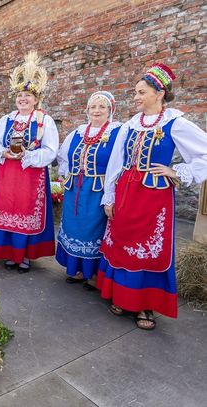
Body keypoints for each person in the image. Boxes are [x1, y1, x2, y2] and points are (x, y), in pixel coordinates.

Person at [98, 63, 207, 330]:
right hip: (125, 192)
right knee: (122, 243)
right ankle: (122, 296)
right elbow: (116, 161)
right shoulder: (130, 125)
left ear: (159, 93)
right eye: (135, 92)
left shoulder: (175, 123)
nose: (135, 97)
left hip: (153, 197)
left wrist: (177, 170)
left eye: (141, 92)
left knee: (148, 248)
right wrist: (109, 197)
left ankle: (145, 304)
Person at [0, 51, 59, 273]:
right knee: (7, 212)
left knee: (27, 213)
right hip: (8, 175)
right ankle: (10, 253)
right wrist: (4, 153)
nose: (23, 99)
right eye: (20, 95)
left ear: (36, 99)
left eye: (28, 96)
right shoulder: (6, 119)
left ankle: (25, 255)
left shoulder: (44, 121)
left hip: (30, 177)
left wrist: (28, 156)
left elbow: (51, 151)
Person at [56, 91, 121, 289]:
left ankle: (93, 274)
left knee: (93, 230)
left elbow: (119, 162)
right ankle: (76, 269)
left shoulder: (117, 132)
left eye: (102, 107)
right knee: (73, 226)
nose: (97, 110)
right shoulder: (78, 132)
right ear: (87, 110)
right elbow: (63, 156)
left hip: (97, 190)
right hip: (74, 188)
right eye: (93, 107)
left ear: (110, 110)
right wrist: (66, 174)